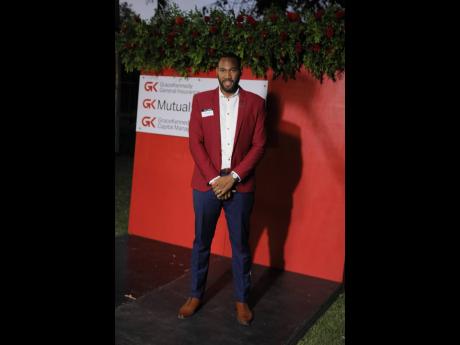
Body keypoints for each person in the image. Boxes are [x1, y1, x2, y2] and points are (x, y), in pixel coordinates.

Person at [177, 52, 267, 326]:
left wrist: (234, 177)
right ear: (215, 71)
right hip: (206, 186)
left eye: (232, 70)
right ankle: (195, 295)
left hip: (241, 186)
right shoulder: (200, 100)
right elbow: (196, 143)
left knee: (240, 246)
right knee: (201, 242)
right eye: (222, 70)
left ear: (241, 72)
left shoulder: (256, 103)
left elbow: (259, 145)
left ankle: (242, 300)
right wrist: (216, 181)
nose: (227, 75)